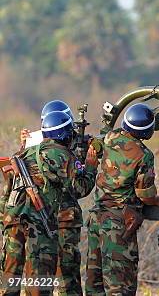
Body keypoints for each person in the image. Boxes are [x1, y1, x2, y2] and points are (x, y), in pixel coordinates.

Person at [85, 103, 159, 296]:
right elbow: (144, 194)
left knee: (94, 284)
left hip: (97, 219)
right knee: (120, 286)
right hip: (119, 224)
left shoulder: (110, 137)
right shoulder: (144, 155)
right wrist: (158, 200)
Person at [1, 111, 98, 296]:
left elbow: (8, 190)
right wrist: (91, 167)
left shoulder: (25, 152)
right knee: (39, 280)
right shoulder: (62, 155)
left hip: (12, 220)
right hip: (37, 223)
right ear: (65, 134)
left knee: (10, 277)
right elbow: (80, 188)